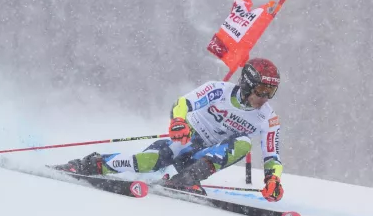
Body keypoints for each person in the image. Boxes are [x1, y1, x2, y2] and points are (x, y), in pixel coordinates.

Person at [53, 58, 284, 201]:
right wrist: (178, 122)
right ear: (247, 83)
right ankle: (90, 164)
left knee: (243, 142)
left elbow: (272, 155)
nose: (265, 97)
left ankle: (186, 179)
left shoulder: (268, 118)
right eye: (262, 89)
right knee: (149, 161)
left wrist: (273, 179)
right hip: (188, 139)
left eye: (271, 91)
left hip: (204, 159)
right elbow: (183, 103)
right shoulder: (218, 90)